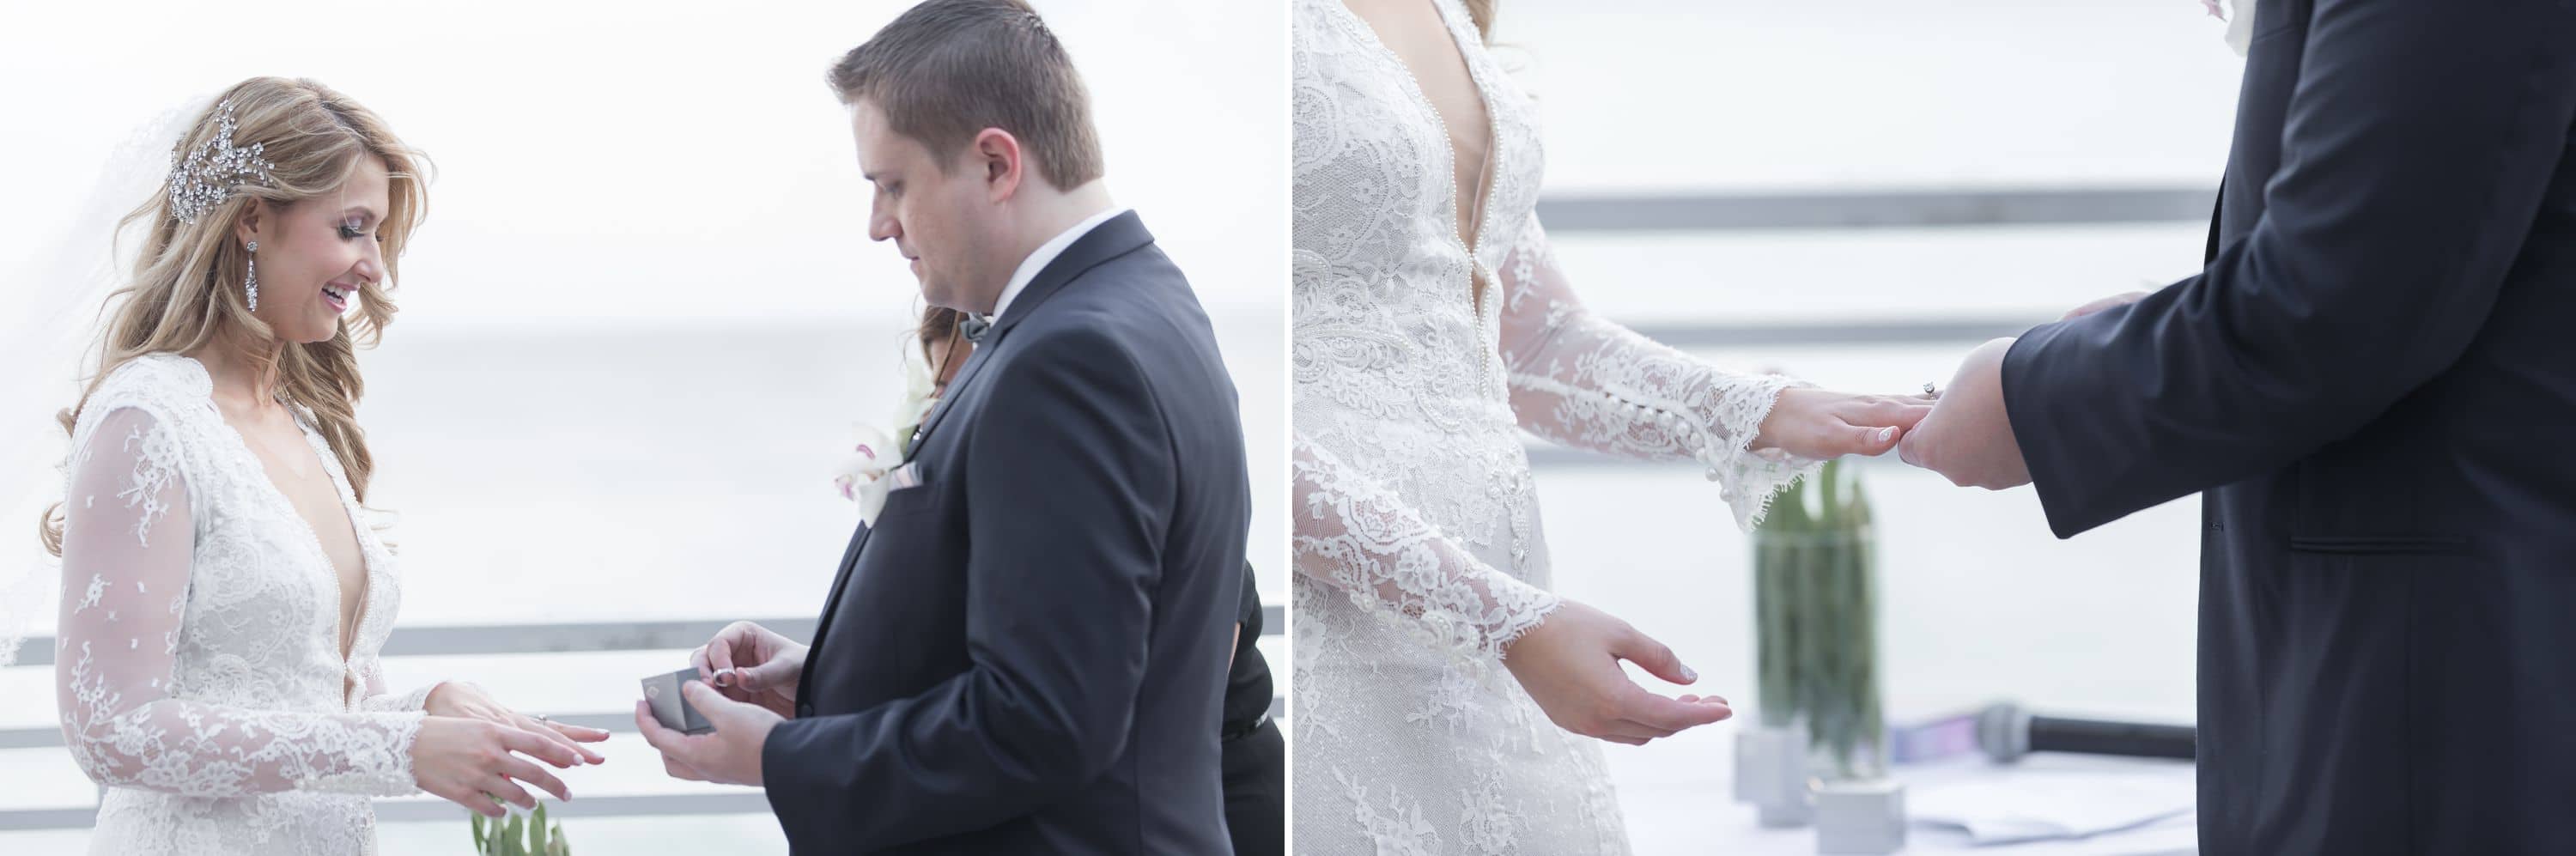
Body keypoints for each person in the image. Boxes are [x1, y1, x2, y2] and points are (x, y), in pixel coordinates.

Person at [1899, 3, 2576, 852]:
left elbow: (2330, 311)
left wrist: (2032, 401)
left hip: (2442, 709)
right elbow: (2419, 250)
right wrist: (2175, 320)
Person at [1290, 0, 1932, 851]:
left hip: (1510, 591)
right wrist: (1502, 623)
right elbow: (1239, 425)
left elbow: (1536, 344)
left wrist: (1758, 409)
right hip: (1341, 618)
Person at [634, 2, 1254, 852]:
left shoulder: (1070, 359)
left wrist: (784, 755)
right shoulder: (1142, 303)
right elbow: (1076, 646)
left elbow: (1044, 720)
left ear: (997, 163)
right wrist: (820, 679)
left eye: (893, 184)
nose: (879, 223)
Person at [38, 77, 605, 855]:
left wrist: (430, 710)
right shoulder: (151, 419)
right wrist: (399, 750)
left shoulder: (299, 421)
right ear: (249, 220)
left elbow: (306, 704)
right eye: (352, 228)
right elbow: (111, 726)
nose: (374, 266)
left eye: (377, 236)